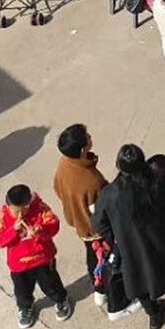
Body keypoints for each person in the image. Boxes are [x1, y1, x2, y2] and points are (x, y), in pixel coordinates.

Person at [93, 144, 165, 329]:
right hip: (162, 241)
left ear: (118, 165)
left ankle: (154, 316)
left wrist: (116, 234)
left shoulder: (109, 194)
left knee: (140, 284)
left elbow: (99, 224)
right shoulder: (156, 183)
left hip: (131, 248)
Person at [53, 123, 130, 314]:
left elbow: (57, 187)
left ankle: (99, 290)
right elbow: (102, 211)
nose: (90, 137)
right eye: (87, 137)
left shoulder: (64, 163)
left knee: (92, 257)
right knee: (106, 261)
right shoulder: (91, 182)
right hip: (96, 230)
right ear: (82, 149)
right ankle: (109, 293)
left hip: (79, 223)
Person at [0, 184, 74, 329]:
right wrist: (13, 231)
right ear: (9, 206)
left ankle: (61, 299)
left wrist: (40, 230)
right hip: (19, 264)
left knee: (51, 283)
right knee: (22, 290)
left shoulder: (40, 209)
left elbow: (54, 225)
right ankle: (25, 307)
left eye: (24, 209)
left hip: (42, 258)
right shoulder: (3, 217)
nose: (20, 214)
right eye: (16, 211)